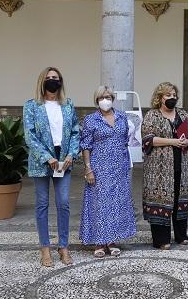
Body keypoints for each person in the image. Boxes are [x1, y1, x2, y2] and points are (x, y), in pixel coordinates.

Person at [23, 67, 80, 267]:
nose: (52, 81)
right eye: (48, 78)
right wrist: (47, 157)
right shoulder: (32, 106)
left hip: (63, 161)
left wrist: (72, 154)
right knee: (42, 204)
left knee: (63, 203)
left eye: (55, 78)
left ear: (61, 81)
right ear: (42, 81)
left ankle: (63, 246)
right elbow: (30, 135)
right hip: (42, 161)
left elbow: (75, 131)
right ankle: (45, 248)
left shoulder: (68, 105)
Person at [79, 86, 137, 258]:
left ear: (113, 98)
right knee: (99, 203)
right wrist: (88, 168)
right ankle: (99, 241)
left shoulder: (122, 117)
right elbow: (85, 146)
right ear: (96, 100)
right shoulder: (91, 120)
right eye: (102, 97)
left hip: (119, 167)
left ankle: (111, 240)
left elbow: (126, 140)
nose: (105, 100)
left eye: (108, 97)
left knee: (116, 204)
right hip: (99, 168)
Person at [142, 82, 188, 249]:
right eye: (168, 95)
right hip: (159, 169)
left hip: (181, 165)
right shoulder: (152, 115)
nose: (172, 98)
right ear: (159, 98)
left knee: (180, 200)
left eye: (174, 95)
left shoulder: (182, 114)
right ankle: (161, 239)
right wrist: (173, 142)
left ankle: (181, 236)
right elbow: (148, 139)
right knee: (161, 200)